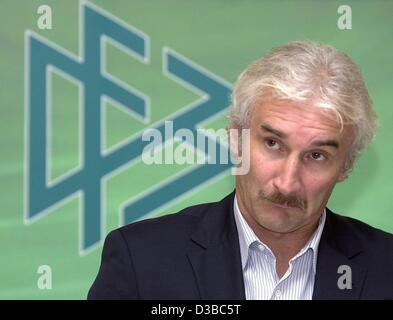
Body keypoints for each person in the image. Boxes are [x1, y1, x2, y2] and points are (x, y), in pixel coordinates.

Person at [88, 41, 393, 300]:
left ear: (347, 165)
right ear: (236, 139)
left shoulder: (387, 268)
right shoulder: (142, 261)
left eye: (317, 155)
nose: (287, 184)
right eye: (273, 143)